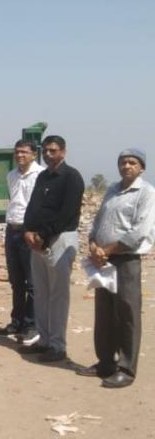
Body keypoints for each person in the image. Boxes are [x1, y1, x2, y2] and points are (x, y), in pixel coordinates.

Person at [78, 148, 155, 388]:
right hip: (103, 261)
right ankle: (105, 363)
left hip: (125, 260)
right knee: (104, 314)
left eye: (132, 162)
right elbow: (98, 222)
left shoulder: (146, 193)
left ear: (141, 167)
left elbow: (138, 231)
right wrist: (93, 245)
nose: (127, 166)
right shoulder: (112, 190)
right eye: (123, 162)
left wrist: (107, 250)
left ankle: (126, 368)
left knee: (127, 314)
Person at [20, 135, 84, 362]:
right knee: (41, 293)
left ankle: (57, 346)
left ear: (63, 152)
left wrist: (43, 234)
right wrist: (28, 230)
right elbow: (32, 207)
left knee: (58, 296)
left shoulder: (71, 177)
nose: (48, 154)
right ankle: (44, 340)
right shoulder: (43, 177)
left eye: (53, 150)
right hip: (37, 241)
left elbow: (66, 213)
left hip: (59, 239)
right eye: (45, 151)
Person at [0, 139, 45, 345]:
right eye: (17, 152)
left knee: (32, 283)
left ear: (33, 154)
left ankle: (32, 325)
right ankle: (16, 322)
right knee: (16, 281)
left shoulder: (40, 175)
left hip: (29, 232)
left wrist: (36, 232)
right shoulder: (11, 175)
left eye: (24, 152)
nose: (20, 155)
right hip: (12, 230)